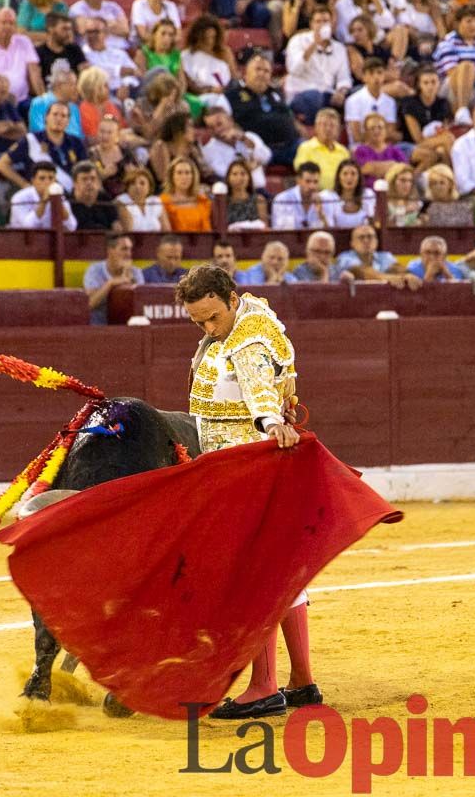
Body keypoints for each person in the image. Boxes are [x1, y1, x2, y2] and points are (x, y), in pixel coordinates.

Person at [176, 265, 319, 720]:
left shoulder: (247, 340)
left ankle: (264, 687)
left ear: (231, 299)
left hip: (245, 465)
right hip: (255, 466)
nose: (208, 328)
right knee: (282, 573)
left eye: (212, 317)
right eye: (198, 321)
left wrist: (271, 421)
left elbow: (258, 386)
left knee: (249, 576)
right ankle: (302, 681)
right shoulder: (251, 314)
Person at [225, 53, 300, 166]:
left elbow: (288, 116)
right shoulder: (233, 95)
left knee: (309, 149)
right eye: (258, 69)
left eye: (266, 71)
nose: (262, 74)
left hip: (288, 147)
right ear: (245, 74)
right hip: (257, 149)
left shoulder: (276, 94)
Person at [283, 5, 353, 125]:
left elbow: (344, 77)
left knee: (355, 97)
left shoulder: (339, 48)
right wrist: (313, 45)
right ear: (311, 24)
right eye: (318, 22)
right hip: (301, 93)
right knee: (315, 97)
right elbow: (294, 70)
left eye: (325, 21)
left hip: (328, 94)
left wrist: (341, 91)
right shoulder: (298, 40)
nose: (321, 25)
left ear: (332, 24)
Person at [0, 101, 88, 193]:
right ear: (46, 117)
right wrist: (25, 185)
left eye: (63, 116)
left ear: (68, 121)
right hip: (39, 196)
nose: (59, 119)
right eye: (55, 114)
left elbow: (85, 169)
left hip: (70, 197)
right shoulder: (31, 140)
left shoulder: (76, 142)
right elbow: (2, 164)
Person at [0, 8, 42, 108]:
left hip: (23, 99)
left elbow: (34, 73)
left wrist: (43, 98)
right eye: (4, 22)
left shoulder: (24, 42)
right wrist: (0, 95)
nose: (7, 27)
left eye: (11, 23)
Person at [201, 107, 271, 191]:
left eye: (219, 124)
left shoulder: (249, 136)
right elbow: (224, 173)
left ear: (230, 121)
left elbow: (267, 157)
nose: (217, 130)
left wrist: (245, 140)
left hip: (260, 189)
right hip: (234, 194)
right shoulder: (208, 150)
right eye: (211, 127)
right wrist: (249, 167)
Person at [181, 16, 236, 115]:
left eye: (213, 37)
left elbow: (234, 78)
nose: (210, 42)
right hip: (202, 97)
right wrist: (210, 90)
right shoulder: (186, 56)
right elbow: (189, 85)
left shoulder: (225, 53)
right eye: (206, 38)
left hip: (228, 94)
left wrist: (226, 89)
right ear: (197, 37)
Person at [85, 232, 144, 323]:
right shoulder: (95, 270)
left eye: (130, 249)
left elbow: (140, 305)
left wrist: (127, 275)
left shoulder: (136, 272)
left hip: (127, 324)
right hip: (99, 325)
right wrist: (110, 283)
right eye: (124, 249)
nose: (129, 254)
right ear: (110, 250)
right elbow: (90, 304)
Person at [81, 17, 140, 98]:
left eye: (96, 32)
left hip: (130, 88)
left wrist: (125, 84)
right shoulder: (83, 54)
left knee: (158, 72)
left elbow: (135, 72)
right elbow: (97, 73)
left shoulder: (118, 53)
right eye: (89, 32)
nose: (92, 35)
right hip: (105, 93)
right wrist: (120, 70)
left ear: (106, 33)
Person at [8, 161, 78, 229]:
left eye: (51, 178)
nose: (47, 182)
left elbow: (72, 226)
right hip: (21, 239)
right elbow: (28, 227)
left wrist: (60, 203)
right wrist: (43, 202)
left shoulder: (59, 196)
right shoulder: (19, 198)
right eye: (42, 178)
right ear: (33, 181)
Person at [344, 57, 398, 145]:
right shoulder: (353, 100)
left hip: (384, 146)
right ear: (364, 77)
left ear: (384, 76)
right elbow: (356, 136)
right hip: (361, 146)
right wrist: (378, 137)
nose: (376, 77)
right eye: (371, 73)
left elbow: (390, 132)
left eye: (379, 73)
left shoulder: (390, 102)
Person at [294, 109, 351, 191]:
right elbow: (303, 175)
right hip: (315, 194)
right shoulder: (306, 148)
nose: (328, 129)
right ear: (316, 127)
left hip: (340, 195)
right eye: (324, 125)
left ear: (338, 129)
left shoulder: (343, 151)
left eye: (332, 125)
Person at [271, 161, 332, 230]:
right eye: (308, 181)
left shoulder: (326, 200)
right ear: (298, 180)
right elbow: (279, 231)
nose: (312, 186)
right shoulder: (282, 199)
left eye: (315, 182)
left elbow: (331, 233)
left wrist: (321, 214)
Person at [160, 156, 212, 232]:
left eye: (187, 173)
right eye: (179, 173)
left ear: (193, 176)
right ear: (172, 176)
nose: (184, 177)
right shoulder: (163, 201)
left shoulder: (203, 200)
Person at [29, 70, 84, 138]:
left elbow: (79, 135)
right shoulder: (39, 103)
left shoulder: (74, 108)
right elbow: (38, 131)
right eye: (72, 84)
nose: (76, 88)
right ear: (59, 86)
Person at [35, 12, 86, 85]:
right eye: (64, 29)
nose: (69, 33)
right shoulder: (38, 52)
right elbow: (36, 82)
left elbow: (85, 73)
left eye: (70, 29)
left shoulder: (75, 49)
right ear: (51, 29)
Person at [78, 68, 127, 142]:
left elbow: (122, 127)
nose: (109, 88)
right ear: (95, 89)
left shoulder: (111, 105)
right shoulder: (84, 109)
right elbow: (94, 136)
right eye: (105, 85)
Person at [69, 161, 121, 230]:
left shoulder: (105, 199)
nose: (89, 183)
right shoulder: (67, 203)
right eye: (84, 179)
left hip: (105, 239)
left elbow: (116, 226)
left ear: (99, 182)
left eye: (93, 178)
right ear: (75, 183)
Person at [322, 159, 373, 229]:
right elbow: (328, 226)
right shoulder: (328, 196)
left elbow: (372, 222)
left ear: (359, 177)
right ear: (338, 177)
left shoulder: (368, 194)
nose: (349, 177)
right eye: (345, 174)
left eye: (353, 174)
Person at [117, 166, 170, 231]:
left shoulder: (155, 201)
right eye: (133, 183)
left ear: (149, 187)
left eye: (142, 183)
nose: (137, 187)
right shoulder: (122, 201)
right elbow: (128, 232)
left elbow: (167, 231)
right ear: (127, 187)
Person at [383, 162, 422, 227]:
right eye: (403, 180)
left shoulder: (417, 203)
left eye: (410, 181)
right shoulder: (384, 203)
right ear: (392, 181)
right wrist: (404, 211)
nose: (407, 184)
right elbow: (384, 225)